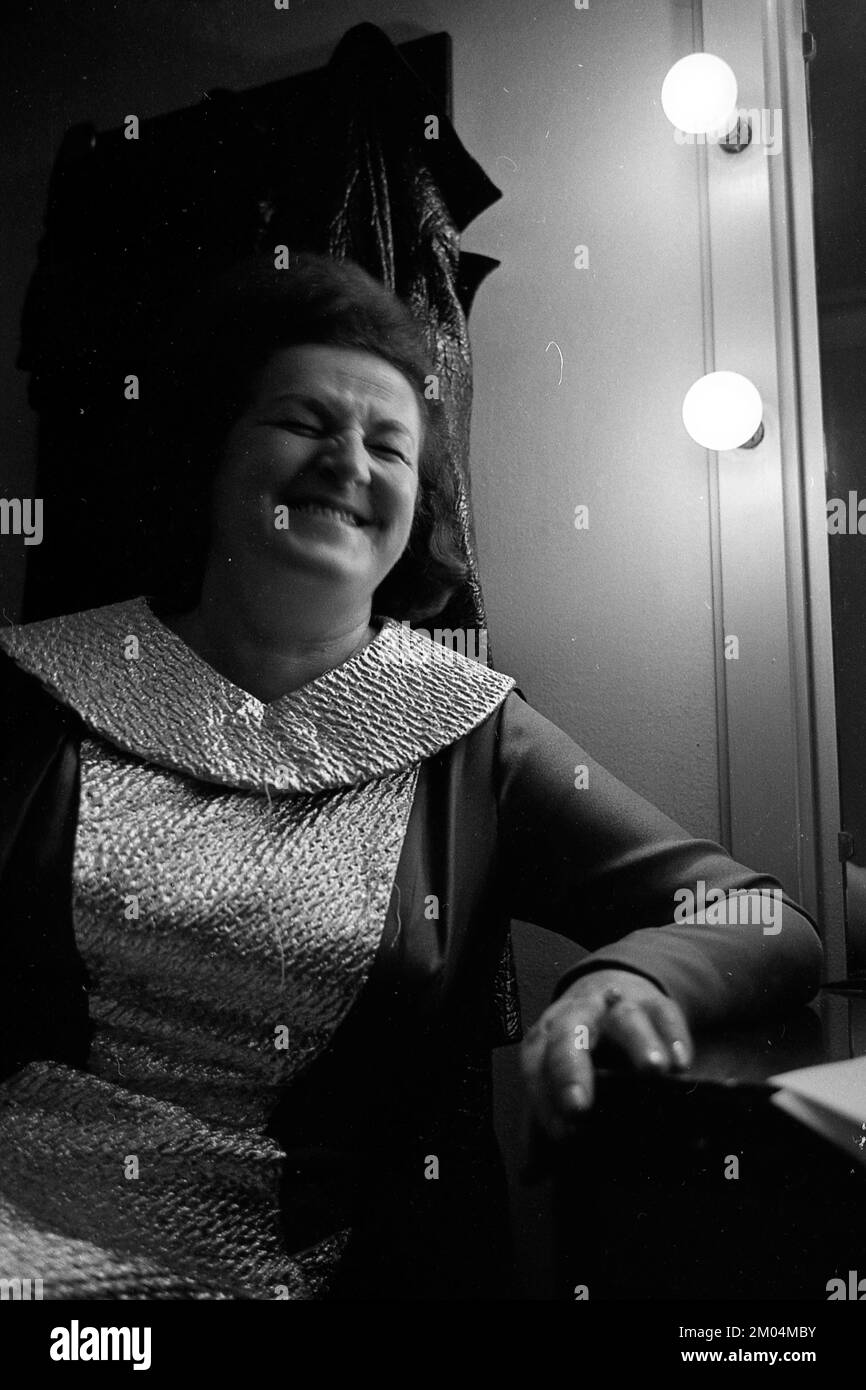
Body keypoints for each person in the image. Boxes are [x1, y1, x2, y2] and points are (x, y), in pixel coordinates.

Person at [0, 253, 823, 1301]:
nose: (348, 461)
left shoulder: (474, 737)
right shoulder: (35, 688)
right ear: (209, 454)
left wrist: (629, 977)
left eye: (388, 446)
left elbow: (761, 916)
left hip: (289, 1273)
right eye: (303, 423)